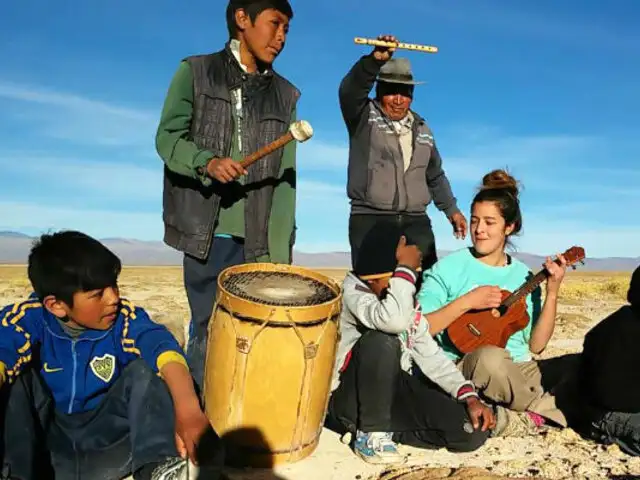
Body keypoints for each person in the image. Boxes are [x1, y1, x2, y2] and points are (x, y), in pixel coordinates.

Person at [155, 0, 299, 392]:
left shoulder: (285, 95)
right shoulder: (196, 72)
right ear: (242, 19)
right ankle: (202, 419)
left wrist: (280, 252)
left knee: (254, 333)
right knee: (208, 327)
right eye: (275, 24)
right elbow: (167, 139)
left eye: (287, 28)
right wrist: (206, 162)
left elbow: (285, 182)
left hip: (259, 238)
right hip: (209, 229)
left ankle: (243, 417)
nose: (282, 36)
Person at [0, 231, 223, 480]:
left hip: (112, 450)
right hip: (45, 452)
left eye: (113, 286)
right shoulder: (27, 318)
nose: (113, 299)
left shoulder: (124, 319)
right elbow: (4, 348)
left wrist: (189, 410)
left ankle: (157, 470)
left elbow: (161, 346)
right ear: (56, 305)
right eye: (97, 294)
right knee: (17, 380)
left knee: (144, 370)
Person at [416, 169, 570, 436]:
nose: (479, 230)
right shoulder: (450, 268)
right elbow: (419, 329)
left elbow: (537, 345)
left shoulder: (523, 276)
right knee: (490, 357)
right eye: (475, 221)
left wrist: (553, 291)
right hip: (467, 365)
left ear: (509, 227)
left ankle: (517, 413)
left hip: (519, 370)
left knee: (579, 364)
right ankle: (546, 409)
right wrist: (466, 302)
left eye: (489, 222)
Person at [326, 223, 495, 465]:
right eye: (401, 279)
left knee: (470, 431)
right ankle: (370, 433)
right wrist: (403, 268)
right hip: (349, 398)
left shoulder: (404, 304)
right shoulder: (355, 294)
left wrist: (469, 396)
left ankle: (388, 431)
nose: (406, 286)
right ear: (374, 278)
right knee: (381, 340)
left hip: (392, 396)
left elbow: (432, 357)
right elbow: (393, 321)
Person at [338, 34, 467, 273]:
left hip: (416, 223)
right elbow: (349, 91)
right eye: (391, 91)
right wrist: (373, 61)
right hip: (370, 221)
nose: (398, 100)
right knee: (374, 292)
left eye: (405, 92)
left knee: (424, 291)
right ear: (378, 91)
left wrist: (452, 210)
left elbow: (435, 176)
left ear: (412, 95)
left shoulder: (423, 129)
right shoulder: (363, 117)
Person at [570, 265, 640, 455]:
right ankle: (610, 438)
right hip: (606, 414)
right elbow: (611, 393)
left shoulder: (617, 321)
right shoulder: (622, 330)